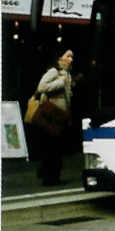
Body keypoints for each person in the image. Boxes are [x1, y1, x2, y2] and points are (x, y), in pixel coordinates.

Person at [34, 49, 75, 185]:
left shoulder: (67, 74)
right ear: (59, 58)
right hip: (52, 115)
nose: (71, 59)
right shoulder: (54, 72)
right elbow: (41, 87)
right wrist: (60, 83)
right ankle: (49, 177)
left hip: (61, 116)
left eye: (72, 57)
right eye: (68, 56)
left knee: (56, 147)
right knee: (51, 147)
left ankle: (52, 175)